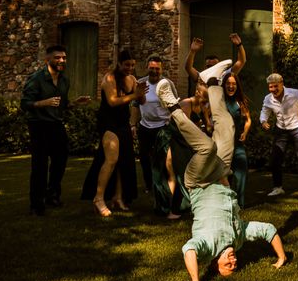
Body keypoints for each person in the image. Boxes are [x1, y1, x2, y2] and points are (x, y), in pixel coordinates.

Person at [156, 59, 286, 281]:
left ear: (216, 263)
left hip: (198, 181)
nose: (233, 262)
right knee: (227, 126)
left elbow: (189, 251)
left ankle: (172, 107)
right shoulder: (239, 237)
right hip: (221, 171)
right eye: (235, 265)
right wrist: (281, 258)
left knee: (206, 147)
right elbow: (268, 229)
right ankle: (213, 80)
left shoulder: (207, 245)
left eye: (228, 266)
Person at [20, 45, 90, 215]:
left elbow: (61, 104)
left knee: (60, 161)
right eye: (57, 57)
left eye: (64, 58)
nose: (61, 61)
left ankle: (52, 195)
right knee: (40, 165)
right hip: (38, 125)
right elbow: (24, 104)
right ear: (48, 59)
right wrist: (43, 103)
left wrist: (74, 103)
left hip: (56, 124)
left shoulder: (64, 80)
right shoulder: (36, 79)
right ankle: (36, 204)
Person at [81, 50, 147, 217]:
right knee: (111, 159)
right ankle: (98, 198)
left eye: (132, 65)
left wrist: (140, 94)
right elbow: (112, 102)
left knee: (123, 162)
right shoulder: (109, 78)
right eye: (127, 65)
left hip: (123, 122)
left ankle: (118, 197)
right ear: (119, 64)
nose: (130, 68)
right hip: (108, 122)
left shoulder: (132, 79)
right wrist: (134, 94)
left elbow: (140, 101)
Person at [130, 54, 181, 219]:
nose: (154, 71)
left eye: (157, 68)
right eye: (151, 68)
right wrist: (133, 124)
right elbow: (135, 104)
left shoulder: (167, 84)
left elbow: (175, 105)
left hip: (163, 127)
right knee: (144, 158)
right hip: (145, 127)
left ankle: (163, 191)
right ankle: (150, 185)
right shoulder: (141, 83)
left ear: (162, 69)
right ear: (147, 67)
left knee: (163, 163)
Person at [260, 73, 298, 200]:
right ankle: (278, 188)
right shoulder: (268, 99)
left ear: (282, 84)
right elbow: (265, 111)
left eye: (275, 86)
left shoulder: (295, 94)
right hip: (281, 130)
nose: (273, 90)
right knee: (276, 159)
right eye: (270, 87)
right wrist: (263, 121)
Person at [223, 72, 252, 208]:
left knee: (241, 170)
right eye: (228, 83)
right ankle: (225, 202)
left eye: (233, 84)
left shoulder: (239, 101)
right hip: (222, 143)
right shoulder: (219, 101)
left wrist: (245, 132)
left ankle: (239, 203)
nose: (231, 86)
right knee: (224, 173)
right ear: (224, 85)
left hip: (237, 142)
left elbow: (248, 120)